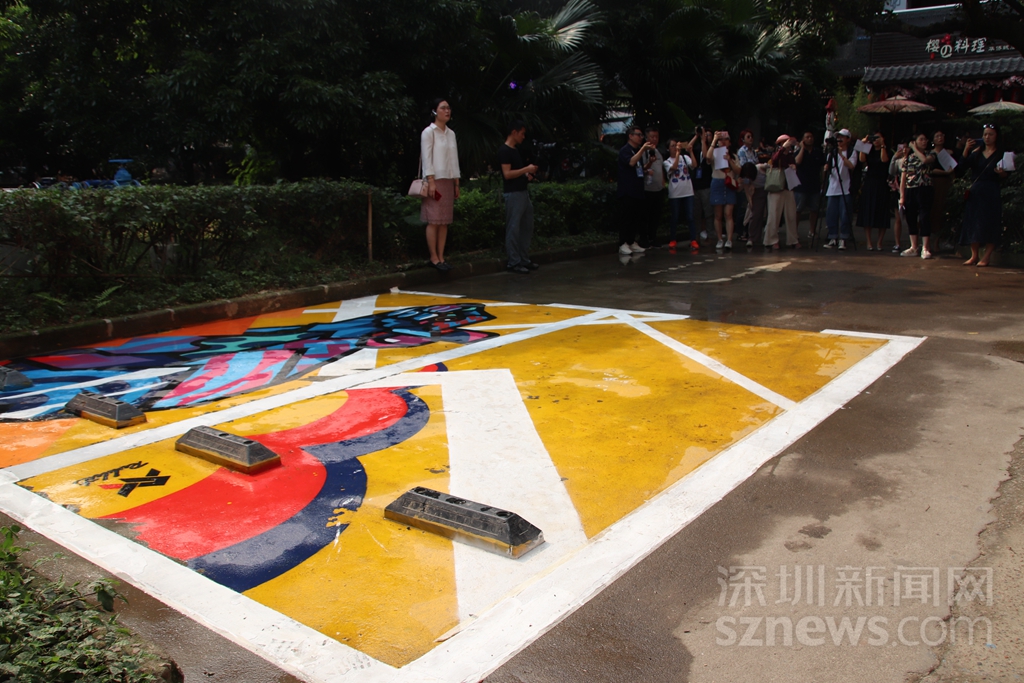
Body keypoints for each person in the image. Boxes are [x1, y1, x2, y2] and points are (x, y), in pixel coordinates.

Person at [960, 123, 1010, 267]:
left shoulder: (1001, 153)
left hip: (991, 191)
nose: (987, 137)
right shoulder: (977, 152)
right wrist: (966, 149)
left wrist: (1002, 174)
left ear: (996, 136)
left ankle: (986, 256)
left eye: (991, 134)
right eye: (985, 134)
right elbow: (962, 166)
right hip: (976, 190)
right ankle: (974, 255)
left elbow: (1007, 174)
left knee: (990, 222)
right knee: (973, 222)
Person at [420, 98, 461, 271]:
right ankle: (434, 257)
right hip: (434, 180)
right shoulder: (428, 132)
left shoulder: (451, 134)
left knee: (444, 221)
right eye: (443, 108)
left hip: (448, 180)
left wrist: (456, 182)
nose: (447, 111)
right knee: (434, 220)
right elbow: (426, 158)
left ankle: (442, 257)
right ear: (434, 111)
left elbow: (454, 159)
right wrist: (430, 181)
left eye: (448, 108)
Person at [499, 121, 540, 274]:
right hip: (513, 193)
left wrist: (526, 175)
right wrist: (525, 169)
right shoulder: (504, 150)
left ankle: (523, 258)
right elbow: (507, 174)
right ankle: (514, 261)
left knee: (526, 226)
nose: (523, 137)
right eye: (522, 133)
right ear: (514, 132)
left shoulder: (515, 150)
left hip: (522, 191)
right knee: (514, 228)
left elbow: (516, 172)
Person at [618, 126, 656, 256]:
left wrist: (649, 164)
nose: (640, 138)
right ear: (630, 136)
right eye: (638, 135)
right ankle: (623, 242)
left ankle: (631, 241)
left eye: (641, 135)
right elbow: (631, 163)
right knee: (626, 217)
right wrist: (643, 149)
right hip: (627, 190)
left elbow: (639, 168)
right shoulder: (625, 150)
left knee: (636, 217)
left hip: (638, 189)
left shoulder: (637, 151)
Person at [899, 132, 937, 259]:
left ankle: (925, 247)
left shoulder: (931, 154)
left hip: (925, 188)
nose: (924, 141)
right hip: (911, 189)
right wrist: (902, 196)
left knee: (924, 217)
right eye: (921, 139)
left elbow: (924, 160)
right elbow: (903, 178)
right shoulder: (908, 158)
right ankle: (914, 246)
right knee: (911, 217)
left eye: (925, 139)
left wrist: (913, 147)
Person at [704, 130, 741, 249]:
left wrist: (729, 160)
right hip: (717, 182)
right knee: (718, 215)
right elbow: (707, 157)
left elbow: (738, 171)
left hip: (729, 184)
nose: (723, 142)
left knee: (728, 213)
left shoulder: (734, 155)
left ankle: (729, 240)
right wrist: (714, 140)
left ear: (730, 142)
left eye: (726, 139)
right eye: (721, 140)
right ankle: (720, 239)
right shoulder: (714, 153)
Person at [764, 134, 800, 250]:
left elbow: (793, 163)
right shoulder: (776, 153)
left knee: (791, 215)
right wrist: (783, 148)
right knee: (774, 215)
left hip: (788, 186)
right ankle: (771, 239)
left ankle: (793, 239)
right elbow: (774, 160)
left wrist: (793, 166)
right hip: (776, 186)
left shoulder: (790, 155)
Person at [823, 128, 857, 250]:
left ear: (848, 139)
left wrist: (841, 154)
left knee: (845, 214)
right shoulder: (832, 152)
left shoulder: (851, 152)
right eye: (838, 137)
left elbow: (851, 166)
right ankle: (832, 237)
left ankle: (844, 238)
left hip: (845, 187)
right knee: (831, 214)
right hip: (833, 187)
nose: (839, 139)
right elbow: (828, 167)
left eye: (842, 137)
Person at [856, 132, 891, 251]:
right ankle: (869, 241)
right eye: (874, 138)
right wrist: (863, 144)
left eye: (878, 138)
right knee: (868, 211)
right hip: (870, 182)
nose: (876, 140)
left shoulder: (886, 149)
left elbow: (884, 160)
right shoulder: (869, 149)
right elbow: (862, 159)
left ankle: (880, 242)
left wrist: (882, 145)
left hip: (882, 183)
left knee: (882, 212)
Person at [664, 136, 697, 249]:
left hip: (688, 191)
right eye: (672, 146)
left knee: (690, 216)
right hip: (675, 193)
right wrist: (678, 154)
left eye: (676, 145)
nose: (675, 148)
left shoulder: (685, 158)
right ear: (668, 148)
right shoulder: (667, 162)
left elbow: (694, 165)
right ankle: (673, 239)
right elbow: (673, 168)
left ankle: (693, 240)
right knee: (675, 217)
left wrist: (690, 151)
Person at [794, 131, 825, 244]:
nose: (810, 139)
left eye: (811, 137)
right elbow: (797, 161)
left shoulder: (818, 152)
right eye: (807, 137)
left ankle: (812, 230)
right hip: (801, 185)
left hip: (814, 184)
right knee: (798, 209)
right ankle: (795, 231)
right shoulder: (798, 152)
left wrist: (823, 181)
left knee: (814, 209)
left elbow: (822, 167)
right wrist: (802, 148)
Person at [737, 130, 766, 248]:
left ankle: (755, 235)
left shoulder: (753, 151)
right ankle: (744, 233)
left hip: (756, 177)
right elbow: (744, 168)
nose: (751, 139)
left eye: (751, 136)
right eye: (748, 137)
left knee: (756, 211)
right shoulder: (742, 151)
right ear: (743, 139)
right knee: (748, 209)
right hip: (748, 179)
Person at [928, 130, 956, 250]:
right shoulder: (931, 154)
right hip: (935, 182)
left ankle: (940, 240)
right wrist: (945, 172)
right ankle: (930, 241)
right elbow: (930, 169)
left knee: (944, 210)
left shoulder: (948, 152)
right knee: (934, 209)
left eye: (942, 135)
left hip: (946, 182)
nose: (940, 138)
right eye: (937, 136)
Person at [641, 127, 666, 248]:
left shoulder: (658, 151)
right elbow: (641, 168)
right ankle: (644, 239)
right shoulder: (643, 151)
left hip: (659, 189)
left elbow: (661, 167)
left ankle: (653, 237)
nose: (654, 139)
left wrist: (663, 182)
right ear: (647, 137)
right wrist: (650, 163)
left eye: (656, 137)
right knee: (646, 215)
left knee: (656, 216)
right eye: (652, 137)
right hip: (647, 188)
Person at [691, 128, 714, 244]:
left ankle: (710, 235)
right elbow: (688, 147)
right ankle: (696, 236)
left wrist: (703, 140)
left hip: (706, 184)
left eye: (708, 135)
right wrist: (697, 136)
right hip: (696, 184)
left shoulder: (712, 150)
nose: (706, 136)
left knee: (708, 212)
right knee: (696, 213)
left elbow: (705, 157)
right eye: (705, 134)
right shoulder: (696, 147)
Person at [888, 144, 909, 253]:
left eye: (906, 147)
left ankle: (913, 243)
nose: (904, 150)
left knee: (912, 218)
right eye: (901, 148)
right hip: (898, 190)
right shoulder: (898, 161)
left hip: (910, 189)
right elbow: (891, 172)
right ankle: (897, 243)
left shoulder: (913, 159)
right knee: (898, 218)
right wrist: (894, 158)